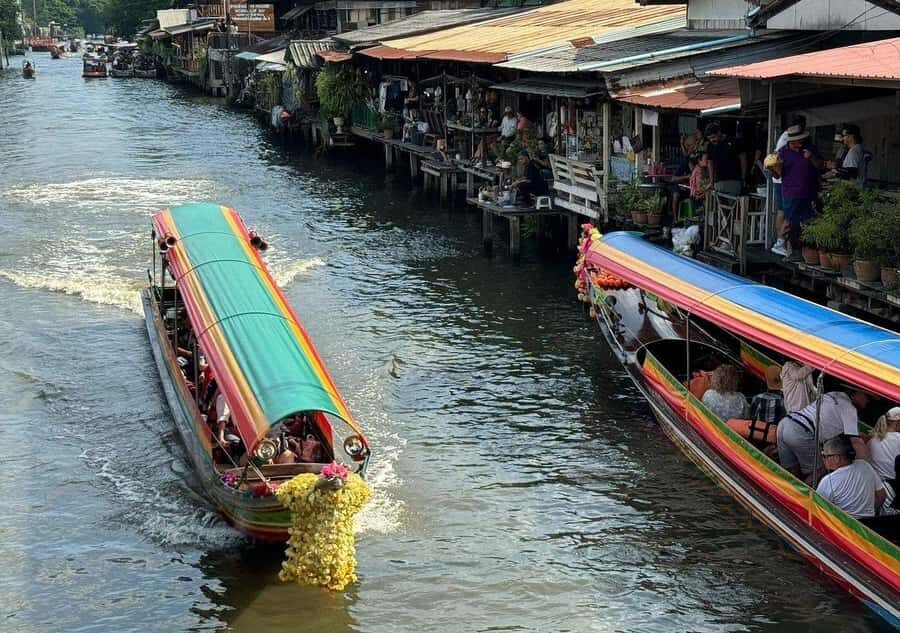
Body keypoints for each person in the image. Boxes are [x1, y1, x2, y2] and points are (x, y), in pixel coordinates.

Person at [777, 390, 871, 482]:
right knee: (819, 470)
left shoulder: (833, 394)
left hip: (785, 423)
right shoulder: (850, 409)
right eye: (868, 397)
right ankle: (801, 496)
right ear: (858, 393)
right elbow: (856, 442)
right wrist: (865, 468)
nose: (868, 401)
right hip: (801, 431)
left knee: (791, 470)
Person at [775, 125, 823, 259]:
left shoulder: (809, 149)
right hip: (791, 192)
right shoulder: (782, 153)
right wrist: (774, 168)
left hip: (809, 192)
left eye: (802, 139)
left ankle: (807, 251)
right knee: (792, 223)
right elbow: (777, 175)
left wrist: (811, 158)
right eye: (798, 140)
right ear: (791, 141)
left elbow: (820, 165)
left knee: (810, 221)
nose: (801, 142)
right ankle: (789, 248)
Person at [816, 435, 884, 518]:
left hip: (845, 527)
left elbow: (817, 509)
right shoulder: (865, 465)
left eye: (825, 456)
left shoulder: (828, 481)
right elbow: (881, 495)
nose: (823, 459)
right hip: (868, 525)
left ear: (837, 458)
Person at [704, 124, 744, 196]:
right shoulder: (710, 146)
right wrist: (711, 181)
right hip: (718, 182)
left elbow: (743, 159)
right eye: (709, 138)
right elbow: (710, 164)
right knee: (719, 206)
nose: (712, 140)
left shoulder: (733, 141)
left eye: (713, 137)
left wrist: (743, 177)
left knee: (732, 205)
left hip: (733, 181)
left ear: (719, 133)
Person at [868, 407, 900, 482]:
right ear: (898, 422)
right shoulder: (898, 438)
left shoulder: (872, 437)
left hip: (872, 480)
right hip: (892, 483)